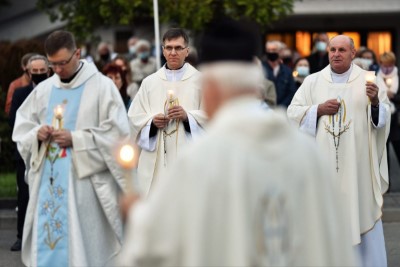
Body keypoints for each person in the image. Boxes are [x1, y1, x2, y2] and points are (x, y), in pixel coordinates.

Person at [118, 19, 356, 267]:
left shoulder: (199, 160)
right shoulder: (309, 154)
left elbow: (157, 247)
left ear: (210, 88)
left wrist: (134, 213)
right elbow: (334, 246)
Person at [12, 30, 131, 267]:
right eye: (52, 64)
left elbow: (118, 133)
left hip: (85, 187)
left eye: (62, 63)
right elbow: (22, 128)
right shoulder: (44, 90)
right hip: (49, 183)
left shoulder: (102, 87)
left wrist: (76, 138)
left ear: (77, 54)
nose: (57, 70)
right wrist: (38, 134)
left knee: (82, 251)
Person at [287, 35, 391, 267]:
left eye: (342, 50)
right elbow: (292, 113)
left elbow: (383, 118)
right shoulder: (313, 81)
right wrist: (317, 109)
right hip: (322, 168)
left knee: (361, 210)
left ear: (353, 53)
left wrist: (374, 103)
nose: (335, 53)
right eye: (332, 49)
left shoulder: (369, 81)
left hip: (358, 168)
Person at [128, 28, 207, 196]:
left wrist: (188, 117)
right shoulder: (149, 83)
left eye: (178, 48)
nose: (173, 52)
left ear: (187, 51)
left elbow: (213, 117)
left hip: (190, 161)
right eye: (169, 47)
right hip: (156, 165)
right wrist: (151, 123)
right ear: (162, 51)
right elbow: (134, 119)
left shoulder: (201, 81)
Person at [8, 54, 50, 252]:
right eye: (36, 71)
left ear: (48, 71)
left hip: (52, 150)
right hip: (26, 151)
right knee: (24, 195)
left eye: (43, 71)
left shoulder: (54, 92)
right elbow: (15, 123)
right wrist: (34, 134)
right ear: (28, 72)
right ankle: (21, 235)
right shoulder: (20, 93)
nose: (39, 74)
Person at [377, 51, 400, 191]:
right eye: (384, 64)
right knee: (383, 155)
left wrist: (394, 97)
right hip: (383, 118)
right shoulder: (375, 76)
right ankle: (386, 186)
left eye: (389, 64)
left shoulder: (398, 76)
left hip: (397, 121)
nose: (387, 67)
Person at [263, 40, 296, 107]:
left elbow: (291, 92)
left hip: (282, 110)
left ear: (280, 51)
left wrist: (281, 107)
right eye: (268, 50)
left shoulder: (287, 71)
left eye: (274, 50)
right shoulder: (261, 69)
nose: (271, 52)